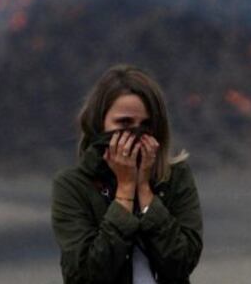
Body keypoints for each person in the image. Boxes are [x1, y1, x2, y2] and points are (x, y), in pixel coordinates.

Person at [51, 64, 203, 284]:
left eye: (146, 125)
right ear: (100, 123)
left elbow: (182, 261)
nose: (135, 133)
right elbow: (85, 276)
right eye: (124, 123)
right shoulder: (73, 186)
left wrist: (144, 191)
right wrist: (124, 191)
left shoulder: (174, 178)